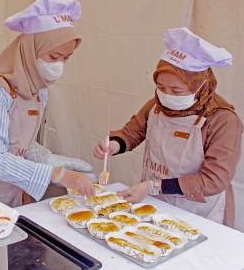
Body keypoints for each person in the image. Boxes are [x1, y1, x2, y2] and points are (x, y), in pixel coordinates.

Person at [0, 0, 95, 207]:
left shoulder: (39, 90)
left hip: (6, 189)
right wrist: (57, 174)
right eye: (54, 56)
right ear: (31, 52)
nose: (59, 66)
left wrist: (48, 158)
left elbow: (19, 139)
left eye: (65, 58)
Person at [93, 27, 243, 227]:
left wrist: (154, 186)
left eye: (176, 90)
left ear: (200, 86)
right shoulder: (157, 105)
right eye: (161, 87)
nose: (167, 95)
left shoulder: (222, 119)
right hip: (155, 202)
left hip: (198, 211)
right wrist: (114, 144)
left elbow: (214, 180)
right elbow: (132, 132)